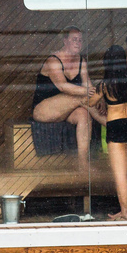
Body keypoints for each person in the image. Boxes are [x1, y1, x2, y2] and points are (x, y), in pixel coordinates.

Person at [31, 27, 99, 165]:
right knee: (78, 97)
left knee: (84, 115)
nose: (78, 43)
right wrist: (91, 95)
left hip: (67, 109)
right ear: (65, 41)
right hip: (43, 110)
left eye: (80, 40)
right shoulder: (53, 60)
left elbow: (88, 86)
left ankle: (82, 164)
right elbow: (63, 86)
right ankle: (108, 123)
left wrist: (97, 98)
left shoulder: (82, 61)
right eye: (74, 39)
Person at [99, 44, 127, 219]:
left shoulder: (105, 85)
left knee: (120, 175)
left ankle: (126, 213)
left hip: (116, 126)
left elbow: (90, 102)